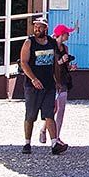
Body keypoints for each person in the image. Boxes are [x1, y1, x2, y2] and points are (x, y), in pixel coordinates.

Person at [19, 17, 66, 155]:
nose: (37, 29)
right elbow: (24, 62)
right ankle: (27, 143)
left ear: (46, 28)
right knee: (30, 115)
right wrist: (33, 78)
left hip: (49, 85)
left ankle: (54, 144)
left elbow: (55, 63)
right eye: (35, 27)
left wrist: (57, 80)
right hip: (32, 86)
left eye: (40, 27)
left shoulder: (51, 43)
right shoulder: (29, 43)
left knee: (49, 114)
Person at [51, 24, 78, 148]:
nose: (69, 35)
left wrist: (70, 67)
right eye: (67, 33)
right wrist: (61, 61)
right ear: (61, 34)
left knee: (61, 110)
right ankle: (44, 130)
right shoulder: (51, 48)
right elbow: (50, 64)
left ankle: (57, 137)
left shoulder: (65, 48)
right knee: (52, 109)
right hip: (51, 81)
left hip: (63, 81)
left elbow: (65, 67)